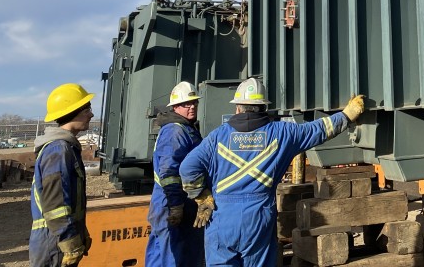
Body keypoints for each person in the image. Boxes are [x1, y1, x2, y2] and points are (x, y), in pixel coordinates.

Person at [179, 77, 365, 267]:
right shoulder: (282, 133)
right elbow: (318, 130)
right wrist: (347, 115)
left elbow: (187, 168)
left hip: (221, 216)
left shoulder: (217, 136)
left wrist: (201, 195)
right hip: (258, 219)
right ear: (263, 108)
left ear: (237, 108)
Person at [30, 83, 95, 267]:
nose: (91, 114)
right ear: (74, 111)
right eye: (87, 109)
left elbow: (70, 201)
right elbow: (56, 204)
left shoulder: (65, 148)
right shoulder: (59, 150)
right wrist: (70, 241)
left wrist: (81, 232)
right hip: (54, 241)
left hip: (57, 237)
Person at [145, 81, 206, 267]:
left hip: (180, 202)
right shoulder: (175, 131)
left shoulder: (187, 129)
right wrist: (175, 204)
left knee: (178, 254)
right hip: (171, 202)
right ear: (175, 107)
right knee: (169, 256)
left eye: (194, 102)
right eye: (186, 104)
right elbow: (168, 171)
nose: (192, 106)